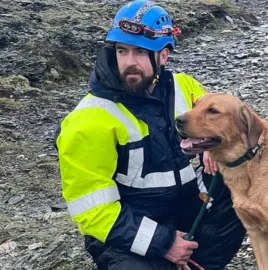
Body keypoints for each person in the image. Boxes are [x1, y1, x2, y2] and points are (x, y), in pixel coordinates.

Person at [54, 0, 246, 269]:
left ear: (163, 55)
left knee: (243, 180)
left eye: (140, 52)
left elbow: (228, 122)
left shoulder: (182, 86)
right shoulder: (87, 120)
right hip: (130, 236)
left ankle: (196, 263)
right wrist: (164, 243)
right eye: (122, 51)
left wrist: (211, 148)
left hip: (187, 213)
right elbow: (93, 210)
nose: (129, 62)